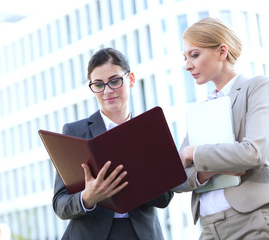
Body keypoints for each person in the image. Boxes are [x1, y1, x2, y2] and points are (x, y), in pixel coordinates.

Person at [52, 48, 173, 240]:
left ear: (131, 79)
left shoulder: (150, 130)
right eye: (98, 85)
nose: (107, 91)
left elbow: (165, 197)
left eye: (115, 81)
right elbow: (60, 204)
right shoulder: (75, 133)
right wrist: (87, 198)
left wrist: (137, 178)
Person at [174, 17, 269, 239]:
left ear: (222, 51)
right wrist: (210, 171)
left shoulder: (256, 88)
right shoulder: (202, 111)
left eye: (194, 55)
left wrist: (192, 153)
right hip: (208, 228)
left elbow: (253, 152)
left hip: (250, 220)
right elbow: (176, 178)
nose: (188, 65)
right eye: (185, 58)